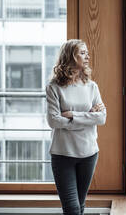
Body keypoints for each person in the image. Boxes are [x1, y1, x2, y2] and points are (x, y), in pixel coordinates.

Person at [45, 39, 107, 215]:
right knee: (72, 208)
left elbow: (102, 117)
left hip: (89, 153)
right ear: (70, 56)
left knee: (79, 206)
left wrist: (73, 115)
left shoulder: (91, 86)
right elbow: (54, 121)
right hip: (63, 154)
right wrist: (88, 116)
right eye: (82, 53)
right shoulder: (53, 87)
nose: (87, 56)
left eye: (87, 52)